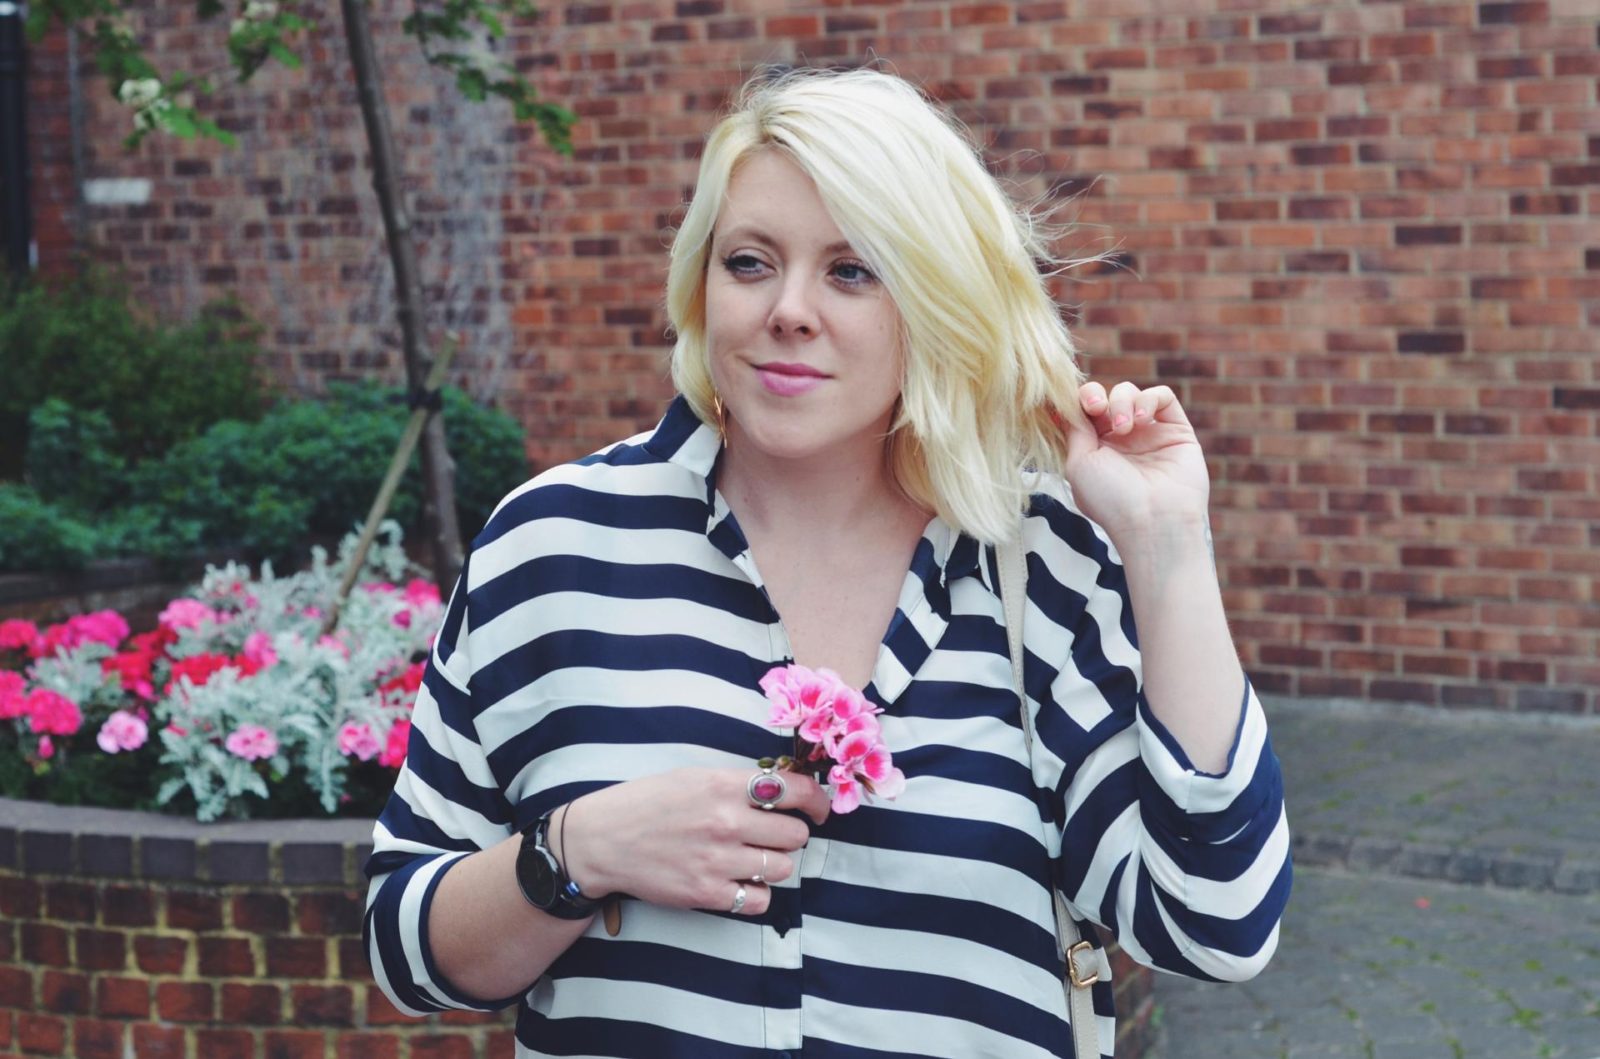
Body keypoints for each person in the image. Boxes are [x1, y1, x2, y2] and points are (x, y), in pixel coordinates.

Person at [363, 66, 1291, 1058]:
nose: (789, 310)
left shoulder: (1036, 564)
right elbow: (406, 949)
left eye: (852, 271)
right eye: (750, 262)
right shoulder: (552, 547)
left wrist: (1166, 545)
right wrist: (576, 852)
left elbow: (1216, 923)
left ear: (933, 300)